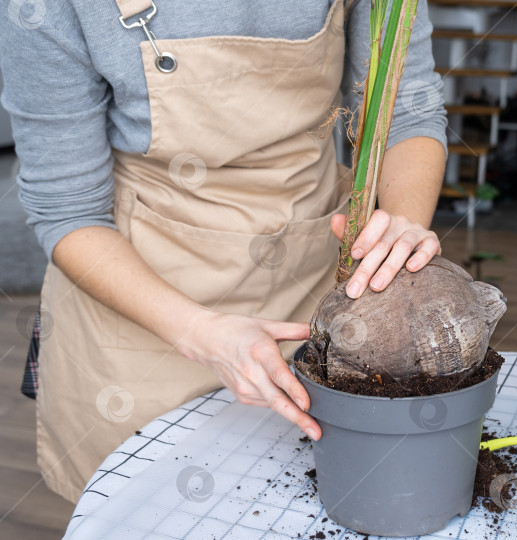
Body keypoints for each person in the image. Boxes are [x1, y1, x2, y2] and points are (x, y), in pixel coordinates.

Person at [0, 0, 446, 503]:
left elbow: (406, 111)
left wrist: (402, 223)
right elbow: (68, 210)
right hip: (141, 315)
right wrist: (200, 331)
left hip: (310, 286)